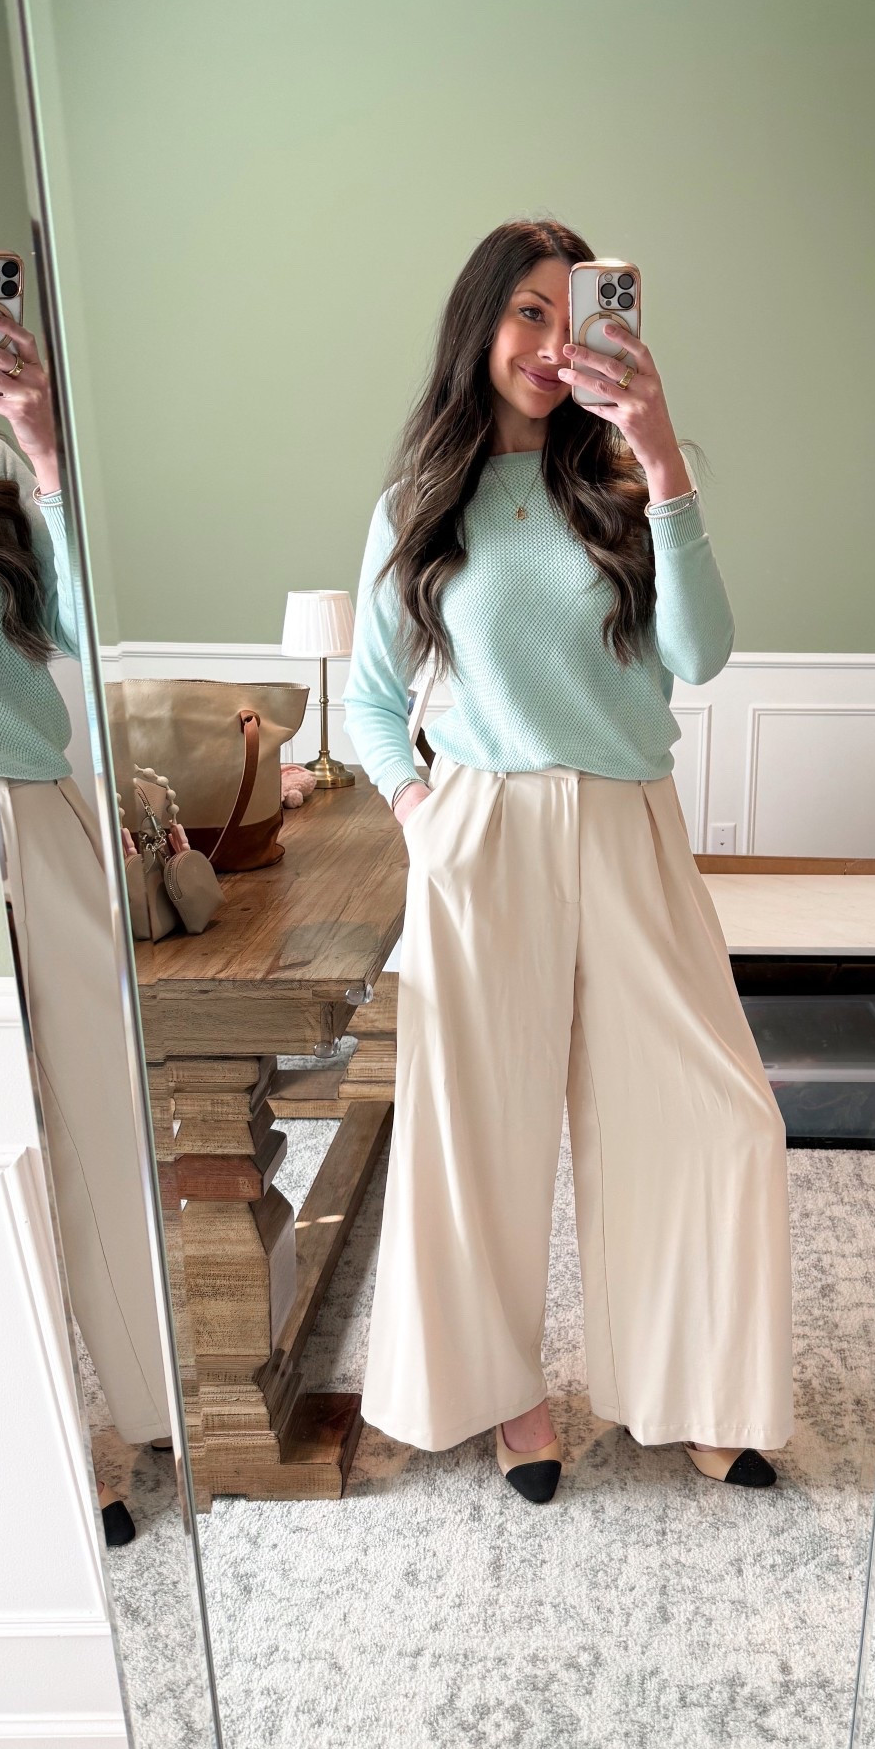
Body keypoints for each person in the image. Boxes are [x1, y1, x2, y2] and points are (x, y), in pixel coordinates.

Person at [343, 218, 792, 1504]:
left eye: (571, 313)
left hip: (630, 825)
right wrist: (425, 814)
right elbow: (373, 699)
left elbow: (701, 655)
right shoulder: (416, 506)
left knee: (716, 1120)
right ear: (481, 326)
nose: (549, 343)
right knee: (478, 1129)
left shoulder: (632, 489)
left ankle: (698, 1388)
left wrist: (661, 452)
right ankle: (507, 1394)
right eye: (526, 313)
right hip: (480, 833)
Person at [0, 313, 172, 1540]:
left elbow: (80, 626)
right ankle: (30, 1437)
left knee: (96, 1122)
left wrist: (38, 444)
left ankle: (141, 1402)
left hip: (34, 814)